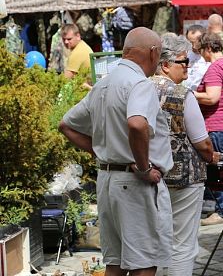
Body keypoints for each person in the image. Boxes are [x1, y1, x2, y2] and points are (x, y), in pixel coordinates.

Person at [59, 27, 173, 276]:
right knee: (144, 262)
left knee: (116, 263)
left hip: (108, 179)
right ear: (153, 53)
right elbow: (136, 123)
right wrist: (143, 167)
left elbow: (66, 124)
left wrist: (102, 152)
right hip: (133, 182)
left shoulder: (104, 84)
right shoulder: (139, 83)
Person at [150, 33, 217, 276]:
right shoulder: (182, 94)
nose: (187, 66)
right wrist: (212, 156)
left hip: (151, 175)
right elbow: (202, 142)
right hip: (184, 179)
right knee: (182, 243)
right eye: (183, 61)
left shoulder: (139, 89)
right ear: (165, 65)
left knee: (156, 240)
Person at [194, 32, 223, 226]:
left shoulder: (215, 67)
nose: (201, 54)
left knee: (219, 169)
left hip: (216, 126)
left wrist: (190, 93)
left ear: (208, 48)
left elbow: (212, 97)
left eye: (201, 50)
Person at [183, 24, 210, 91]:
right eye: (190, 42)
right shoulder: (184, 55)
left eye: (196, 42)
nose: (193, 46)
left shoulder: (210, 56)